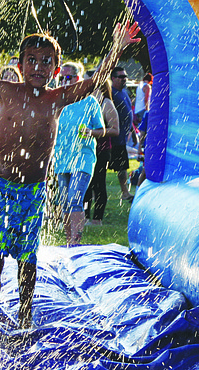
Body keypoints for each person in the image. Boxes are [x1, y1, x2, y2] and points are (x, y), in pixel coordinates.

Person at [0, 18, 140, 328]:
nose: (38, 66)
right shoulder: (6, 89)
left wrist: (118, 46)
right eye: (31, 60)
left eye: (47, 62)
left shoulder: (56, 98)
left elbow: (97, 79)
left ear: (57, 70)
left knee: (27, 254)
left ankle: (25, 307)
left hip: (33, 192)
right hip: (1, 185)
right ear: (19, 64)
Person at [53, 62, 105, 244]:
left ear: (79, 79)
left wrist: (91, 132)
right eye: (62, 78)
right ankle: (69, 240)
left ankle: (76, 240)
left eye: (70, 78)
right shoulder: (58, 100)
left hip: (83, 156)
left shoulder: (89, 101)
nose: (65, 81)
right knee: (65, 202)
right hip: (61, 158)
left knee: (75, 198)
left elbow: (102, 130)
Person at [84, 79, 119, 226]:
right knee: (86, 184)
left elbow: (115, 130)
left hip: (102, 150)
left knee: (98, 184)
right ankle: (85, 217)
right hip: (87, 149)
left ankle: (97, 219)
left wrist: (93, 133)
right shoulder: (87, 102)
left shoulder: (106, 103)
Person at [109, 66, 135, 202]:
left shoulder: (124, 92)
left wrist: (133, 132)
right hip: (113, 138)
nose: (124, 79)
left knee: (123, 166)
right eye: (121, 77)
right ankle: (124, 192)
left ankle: (125, 192)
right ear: (113, 78)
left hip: (123, 137)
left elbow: (128, 114)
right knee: (120, 166)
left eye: (125, 76)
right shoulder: (111, 93)